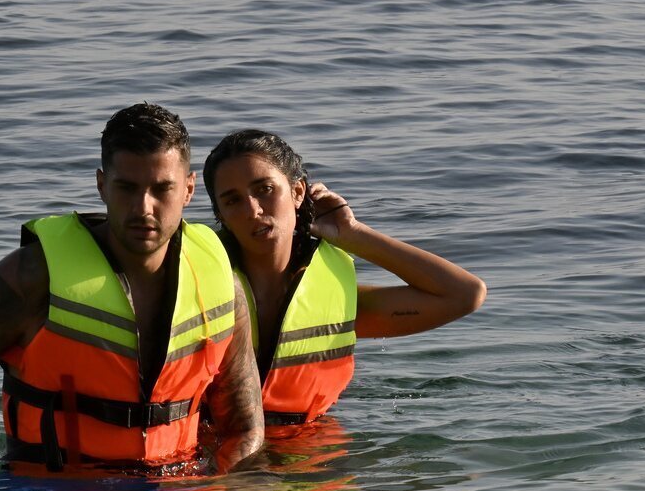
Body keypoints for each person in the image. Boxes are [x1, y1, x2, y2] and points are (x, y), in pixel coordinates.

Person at [0, 104, 264, 474]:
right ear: (102, 185)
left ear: (188, 189)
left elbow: (246, 426)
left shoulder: (221, 282)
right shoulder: (33, 277)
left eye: (161, 189)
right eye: (127, 188)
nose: (144, 208)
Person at [202, 129, 487, 426]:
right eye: (233, 200)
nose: (253, 210)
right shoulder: (197, 292)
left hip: (312, 457)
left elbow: (465, 294)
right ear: (221, 215)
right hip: (211, 454)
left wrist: (352, 234)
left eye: (265, 189)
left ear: (298, 192)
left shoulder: (338, 301)